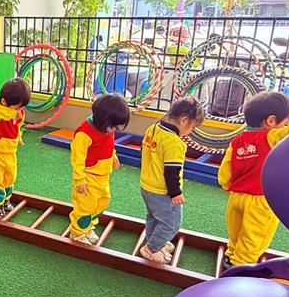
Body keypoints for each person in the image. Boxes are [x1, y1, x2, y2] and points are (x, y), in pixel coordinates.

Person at [219, 91, 289, 267]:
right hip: (260, 199)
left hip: (236, 197)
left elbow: (226, 168)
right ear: (271, 121)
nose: (285, 126)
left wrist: (226, 184)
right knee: (254, 236)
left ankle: (231, 254)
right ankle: (240, 266)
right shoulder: (270, 137)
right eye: (284, 123)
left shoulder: (238, 140)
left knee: (236, 231)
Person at [139, 98, 206, 263]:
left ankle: (155, 240)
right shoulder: (174, 143)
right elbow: (171, 171)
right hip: (162, 191)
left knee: (154, 217)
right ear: (183, 120)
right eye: (192, 127)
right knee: (171, 223)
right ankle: (151, 248)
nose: (190, 131)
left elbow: (144, 153)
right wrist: (175, 193)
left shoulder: (153, 129)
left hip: (147, 185)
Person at [68, 93, 130, 244]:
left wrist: (113, 155)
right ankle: (77, 233)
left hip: (103, 176)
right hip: (88, 177)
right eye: (113, 125)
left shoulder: (106, 128)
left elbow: (108, 144)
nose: (113, 129)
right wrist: (79, 179)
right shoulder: (84, 133)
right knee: (85, 207)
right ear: (103, 119)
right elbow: (77, 158)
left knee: (101, 203)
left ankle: (88, 227)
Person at [0, 78, 30, 219]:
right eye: (17, 107)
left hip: (10, 153)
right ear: (4, 101)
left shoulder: (18, 112)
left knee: (10, 178)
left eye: (22, 107)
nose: (20, 111)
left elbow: (17, 126)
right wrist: (12, 113)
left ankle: (5, 199)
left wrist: (18, 136)